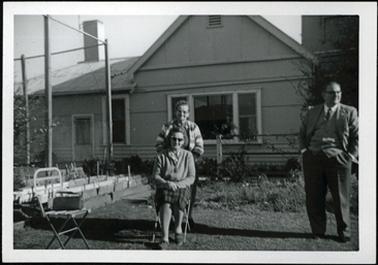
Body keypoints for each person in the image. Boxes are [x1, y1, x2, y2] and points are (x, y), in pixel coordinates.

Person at [299, 81, 358, 243]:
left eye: (338, 92)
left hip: (338, 159)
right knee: (314, 196)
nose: (336, 95)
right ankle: (318, 231)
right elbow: (302, 133)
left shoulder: (349, 112)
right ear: (324, 95)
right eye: (332, 93)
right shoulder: (312, 112)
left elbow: (356, 136)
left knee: (341, 198)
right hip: (314, 158)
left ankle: (343, 233)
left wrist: (351, 156)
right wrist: (305, 151)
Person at [155, 100, 204, 228]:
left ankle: (188, 216)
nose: (181, 114)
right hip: (170, 163)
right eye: (179, 111)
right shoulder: (167, 127)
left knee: (189, 191)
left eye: (184, 112)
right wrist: (167, 157)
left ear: (188, 113)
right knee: (168, 190)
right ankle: (169, 217)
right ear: (175, 112)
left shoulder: (193, 127)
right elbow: (159, 144)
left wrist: (188, 160)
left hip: (188, 163)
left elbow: (199, 147)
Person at [152, 127, 196, 248]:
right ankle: (165, 237)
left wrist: (177, 185)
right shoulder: (162, 155)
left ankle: (178, 229)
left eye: (180, 140)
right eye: (174, 139)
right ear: (169, 140)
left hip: (182, 187)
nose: (177, 142)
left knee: (179, 198)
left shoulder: (188, 156)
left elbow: (191, 177)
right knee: (165, 201)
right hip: (165, 186)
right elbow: (155, 176)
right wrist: (166, 183)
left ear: (184, 141)